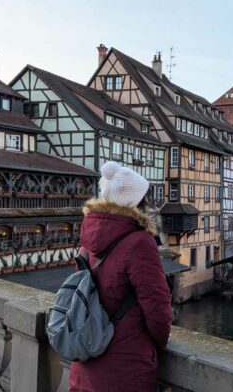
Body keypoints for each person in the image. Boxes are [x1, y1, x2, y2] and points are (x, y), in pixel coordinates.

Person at [70, 162, 172, 392]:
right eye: (145, 198)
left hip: (85, 361)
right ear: (136, 201)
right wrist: (159, 344)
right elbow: (158, 308)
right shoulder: (139, 242)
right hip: (125, 369)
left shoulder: (88, 242)